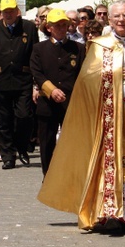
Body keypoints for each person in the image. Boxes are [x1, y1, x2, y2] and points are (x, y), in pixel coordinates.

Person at [38, 0, 125, 231]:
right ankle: (110, 211)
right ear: (109, 20)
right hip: (109, 114)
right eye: (117, 16)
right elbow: (88, 79)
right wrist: (116, 73)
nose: (121, 20)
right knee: (110, 161)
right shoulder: (100, 45)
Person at [0, 0, 38, 169]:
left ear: (17, 11)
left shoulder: (29, 27)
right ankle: (8, 156)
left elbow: (35, 55)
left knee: (24, 116)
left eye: (11, 11)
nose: (9, 14)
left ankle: (22, 147)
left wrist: (37, 82)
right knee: (3, 120)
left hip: (23, 80)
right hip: (1, 79)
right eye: (5, 12)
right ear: (0, 13)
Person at [30, 9, 86, 176]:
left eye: (64, 25)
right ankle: (48, 176)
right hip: (47, 103)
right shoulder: (39, 48)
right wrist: (51, 89)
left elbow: (83, 73)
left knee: (72, 141)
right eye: (58, 25)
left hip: (71, 103)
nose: (62, 28)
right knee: (47, 142)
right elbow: (36, 72)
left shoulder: (78, 48)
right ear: (49, 28)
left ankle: (71, 175)